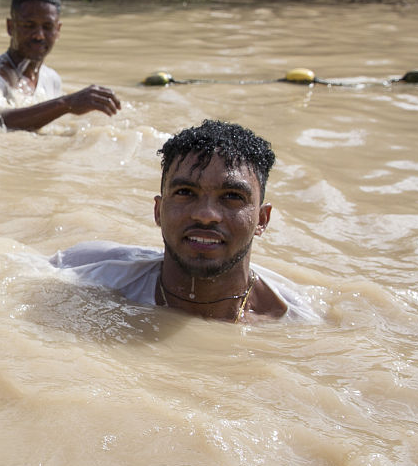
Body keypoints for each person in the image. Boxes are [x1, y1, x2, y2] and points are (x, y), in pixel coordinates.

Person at [50, 120, 317, 322]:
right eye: (185, 193)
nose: (205, 214)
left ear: (262, 219)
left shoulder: (294, 320)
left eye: (232, 197)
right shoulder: (81, 276)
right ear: (158, 210)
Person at [0, 0, 121, 131]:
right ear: (10, 27)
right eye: (28, 25)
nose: (39, 35)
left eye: (47, 27)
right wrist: (66, 104)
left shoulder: (51, 78)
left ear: (58, 31)